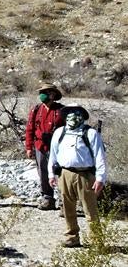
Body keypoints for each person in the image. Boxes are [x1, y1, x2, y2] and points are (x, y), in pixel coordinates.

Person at [48, 103, 107, 248]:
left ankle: (97, 241)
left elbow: (100, 157)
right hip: (64, 174)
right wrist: (51, 174)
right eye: (69, 112)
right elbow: (53, 155)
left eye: (77, 112)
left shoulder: (91, 133)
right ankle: (72, 237)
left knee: (90, 209)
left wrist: (100, 178)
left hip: (85, 175)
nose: (73, 115)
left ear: (83, 115)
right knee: (67, 208)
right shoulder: (59, 132)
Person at [25, 82, 65, 210]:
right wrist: (29, 147)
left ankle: (65, 202)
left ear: (53, 95)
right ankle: (48, 198)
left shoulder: (61, 110)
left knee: (61, 172)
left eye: (46, 92)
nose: (42, 95)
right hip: (40, 145)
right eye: (41, 92)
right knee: (43, 171)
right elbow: (29, 129)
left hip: (59, 147)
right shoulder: (36, 110)